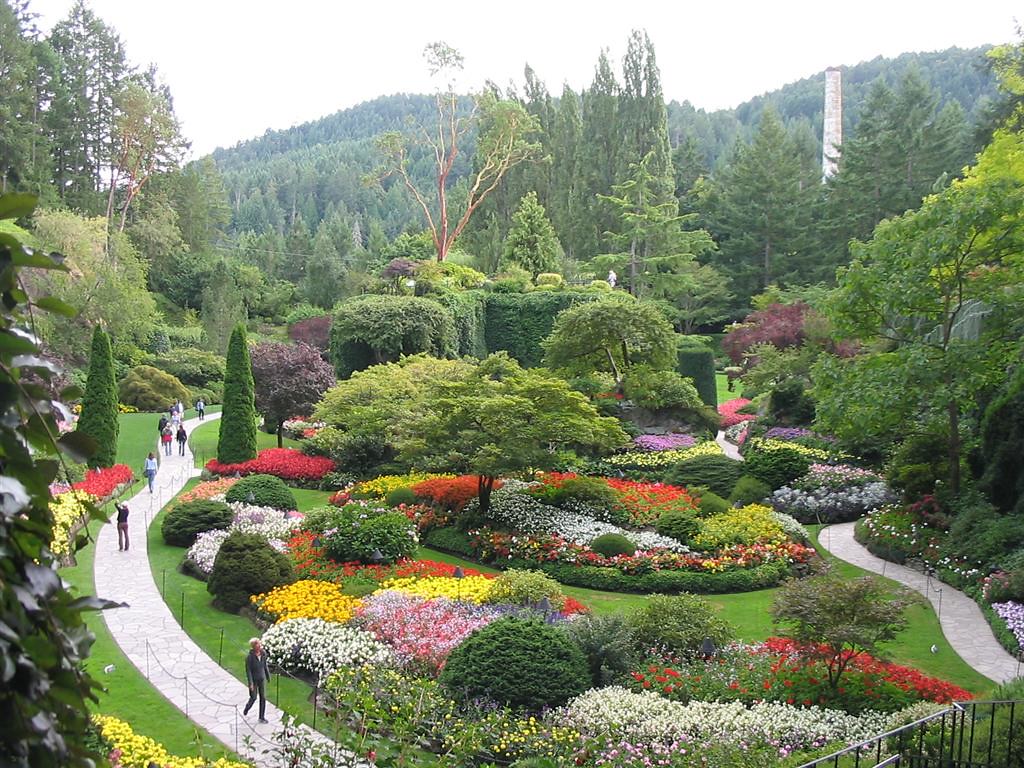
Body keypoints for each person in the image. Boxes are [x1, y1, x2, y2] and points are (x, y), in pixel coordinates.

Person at [243, 637, 270, 723]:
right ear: (254, 646)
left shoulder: (263, 654)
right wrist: (250, 683)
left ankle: (261, 717)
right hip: (254, 680)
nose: (260, 645)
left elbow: (265, 665)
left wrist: (267, 675)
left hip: (261, 679)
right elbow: (248, 671)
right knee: (253, 697)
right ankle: (247, 708)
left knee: (263, 697)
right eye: (258, 644)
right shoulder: (249, 658)